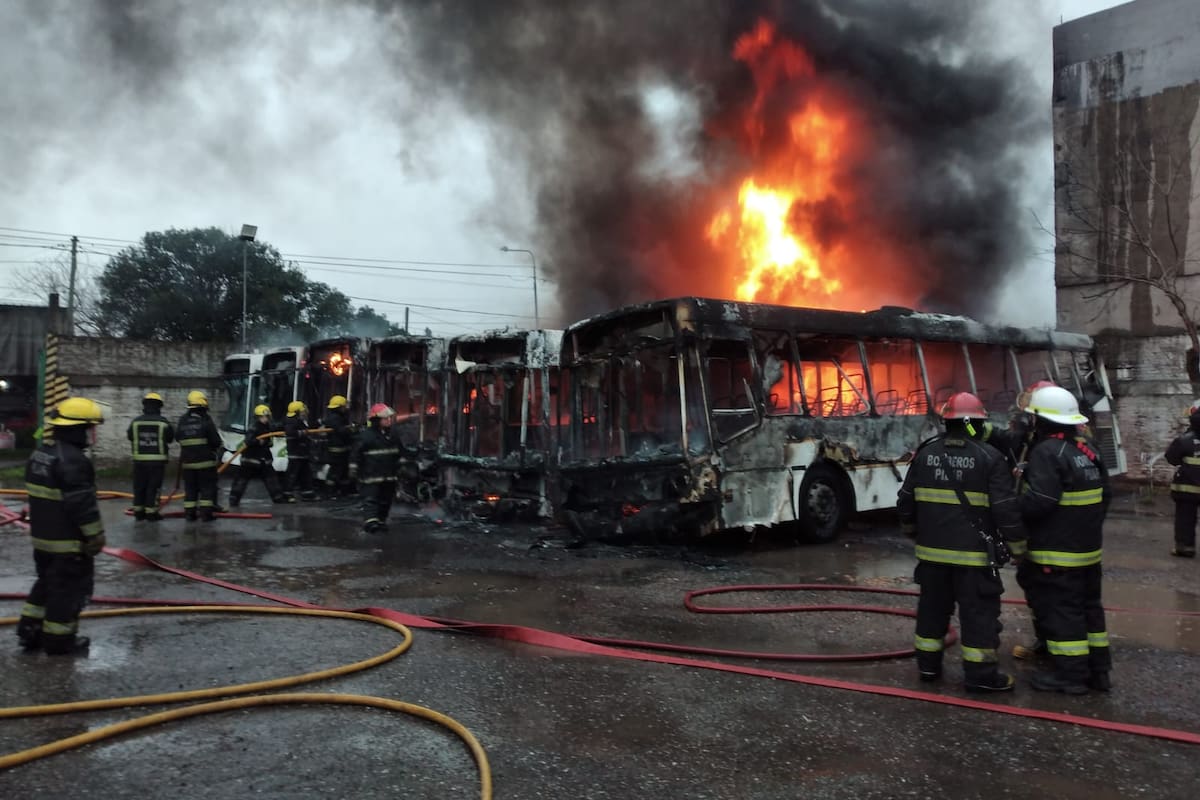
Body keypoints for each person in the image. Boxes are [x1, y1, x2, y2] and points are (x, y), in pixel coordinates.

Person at [897, 391, 1026, 693]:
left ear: (947, 422)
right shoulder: (990, 458)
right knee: (979, 616)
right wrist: (1018, 547)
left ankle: (928, 668)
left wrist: (913, 532)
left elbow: (905, 502)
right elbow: (1006, 509)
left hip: (931, 558)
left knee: (931, 613)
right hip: (974, 560)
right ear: (976, 423)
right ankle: (980, 676)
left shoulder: (925, 454)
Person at [1019, 384, 1113, 694]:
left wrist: (1010, 502)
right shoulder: (1088, 449)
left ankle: (1070, 676)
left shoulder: (1047, 451)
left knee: (1063, 612)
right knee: (1089, 609)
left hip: (1056, 554)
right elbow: (1105, 497)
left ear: (1041, 420)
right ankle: (1099, 672)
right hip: (1087, 551)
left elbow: (1040, 502)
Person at [16, 397, 107, 655]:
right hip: (68, 546)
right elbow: (82, 506)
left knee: (46, 584)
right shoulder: (74, 460)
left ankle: (29, 631)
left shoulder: (40, 455)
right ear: (75, 429)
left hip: (43, 542)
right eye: (88, 428)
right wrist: (96, 537)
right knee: (66, 593)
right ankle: (59, 642)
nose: (90, 434)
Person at [351, 403, 401, 533]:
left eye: (390, 418)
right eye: (386, 418)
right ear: (376, 420)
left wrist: (404, 466)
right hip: (370, 475)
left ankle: (380, 521)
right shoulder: (366, 436)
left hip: (389, 475)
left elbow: (400, 452)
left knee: (386, 500)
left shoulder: (393, 435)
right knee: (370, 499)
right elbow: (355, 453)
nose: (389, 420)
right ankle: (371, 522)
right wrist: (353, 468)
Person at [229, 404, 293, 506]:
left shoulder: (267, 427)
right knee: (242, 480)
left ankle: (278, 497)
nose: (266, 419)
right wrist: (259, 442)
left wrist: (289, 421)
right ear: (258, 417)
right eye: (264, 417)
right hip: (250, 459)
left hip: (263, 459)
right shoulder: (254, 427)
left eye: (267, 417)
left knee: (271, 479)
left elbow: (277, 427)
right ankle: (234, 499)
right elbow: (248, 441)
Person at [127, 391, 174, 522]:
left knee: (139, 486)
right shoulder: (163, 423)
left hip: (139, 462)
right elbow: (170, 438)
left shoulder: (135, 422)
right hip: (157, 463)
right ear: (159, 406)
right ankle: (152, 513)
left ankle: (138, 512)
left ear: (144, 406)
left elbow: (130, 437)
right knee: (154, 487)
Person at [177, 390, 223, 521]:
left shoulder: (183, 420)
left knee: (190, 489)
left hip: (188, 463)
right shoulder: (206, 420)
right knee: (207, 488)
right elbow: (215, 441)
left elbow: (177, 437)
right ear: (203, 405)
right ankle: (206, 514)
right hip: (205, 463)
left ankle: (190, 514)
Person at [1163, 399, 1200, 558]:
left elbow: (1171, 458)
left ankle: (1185, 547)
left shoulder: (1184, 440)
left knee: (1185, 518)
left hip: (1187, 489)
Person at [320, 394, 355, 498]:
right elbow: (341, 431)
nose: (346, 408)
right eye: (344, 406)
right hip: (336, 450)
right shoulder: (334, 418)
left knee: (343, 472)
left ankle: (344, 492)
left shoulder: (339, 417)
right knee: (335, 472)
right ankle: (329, 492)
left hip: (342, 449)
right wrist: (352, 429)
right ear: (339, 407)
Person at [284, 400, 318, 501]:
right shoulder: (291, 421)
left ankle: (307, 494)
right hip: (296, 453)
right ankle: (287, 494)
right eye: (303, 411)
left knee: (306, 474)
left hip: (303, 453)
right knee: (292, 475)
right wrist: (302, 433)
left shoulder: (300, 421)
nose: (305, 412)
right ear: (297, 412)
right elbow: (290, 432)